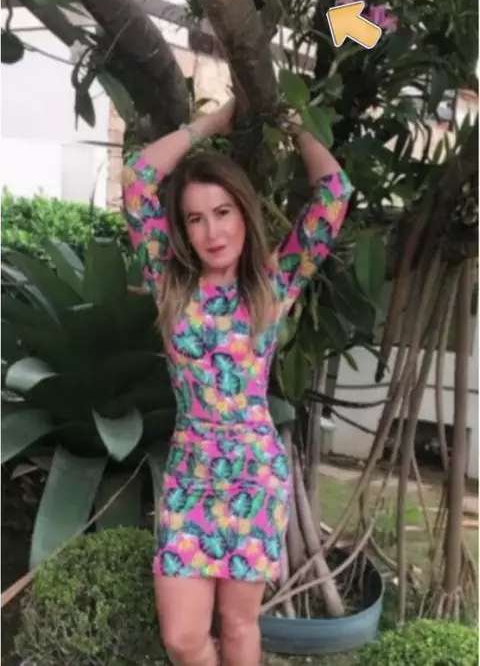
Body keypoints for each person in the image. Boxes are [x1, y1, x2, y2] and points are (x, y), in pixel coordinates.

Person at [122, 97, 352, 666]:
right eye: (195, 218)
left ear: (244, 213)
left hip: (253, 474)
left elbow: (334, 193)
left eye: (223, 212)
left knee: (239, 622)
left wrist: (290, 122)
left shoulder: (273, 285)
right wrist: (208, 124)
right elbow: (138, 180)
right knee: (183, 638)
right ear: (183, 229)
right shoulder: (169, 281)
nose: (212, 230)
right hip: (190, 477)